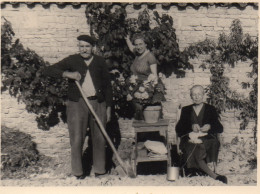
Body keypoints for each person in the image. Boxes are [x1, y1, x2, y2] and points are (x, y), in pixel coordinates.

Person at [44, 35, 112, 179]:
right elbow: (48, 70)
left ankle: (99, 170)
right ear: (78, 47)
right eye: (81, 46)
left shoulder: (100, 62)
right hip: (77, 103)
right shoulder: (72, 60)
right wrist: (67, 73)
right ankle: (78, 172)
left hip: (98, 102)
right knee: (76, 137)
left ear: (93, 48)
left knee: (99, 137)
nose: (84, 49)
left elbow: (107, 86)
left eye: (87, 46)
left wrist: (108, 107)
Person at [175, 85, 228, 184]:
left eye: (199, 94)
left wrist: (210, 126)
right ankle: (214, 176)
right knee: (196, 146)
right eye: (194, 94)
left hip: (207, 139)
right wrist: (190, 127)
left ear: (203, 95)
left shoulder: (210, 109)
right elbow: (178, 129)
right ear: (191, 96)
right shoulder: (186, 110)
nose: (196, 97)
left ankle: (204, 170)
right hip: (190, 139)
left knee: (202, 145)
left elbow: (220, 128)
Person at [125, 33, 159, 120]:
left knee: (141, 113)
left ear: (146, 44)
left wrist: (148, 90)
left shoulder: (150, 57)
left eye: (141, 44)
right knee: (137, 113)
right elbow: (131, 48)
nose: (138, 47)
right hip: (135, 86)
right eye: (136, 45)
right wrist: (127, 39)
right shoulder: (137, 54)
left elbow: (154, 76)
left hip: (145, 88)